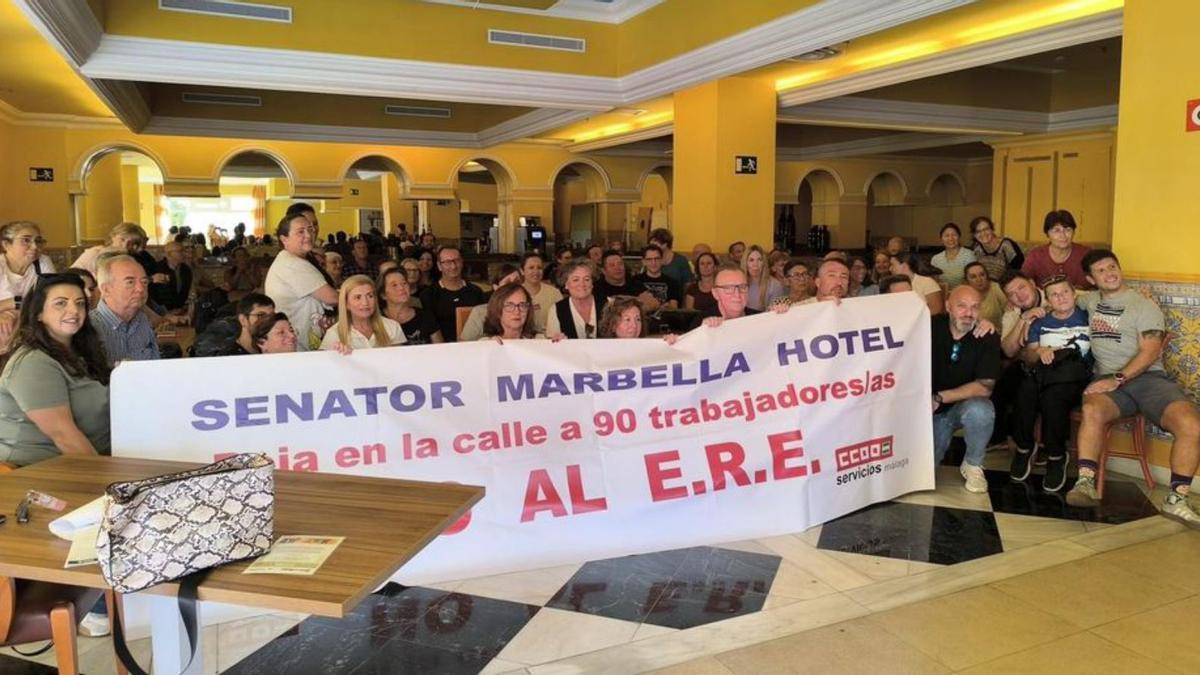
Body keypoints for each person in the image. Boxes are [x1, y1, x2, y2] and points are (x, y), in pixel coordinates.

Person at [1066, 250, 1200, 524]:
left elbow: (1150, 352)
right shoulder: (1089, 300)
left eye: (1112, 266)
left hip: (1148, 379)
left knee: (1192, 425)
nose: (1110, 273)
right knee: (1092, 410)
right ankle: (1085, 482)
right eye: (1101, 270)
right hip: (1108, 382)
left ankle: (1177, 498)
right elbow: (1059, 295)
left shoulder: (1143, 305)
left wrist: (1117, 378)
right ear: (1092, 279)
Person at [0, 273, 111, 467]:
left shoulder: (79, 352)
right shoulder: (33, 362)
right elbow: (64, 436)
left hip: (84, 461)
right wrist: (112, 479)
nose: (74, 310)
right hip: (36, 472)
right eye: (61, 303)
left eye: (80, 303)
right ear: (38, 313)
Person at [1009, 276, 1091, 491]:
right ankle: (1025, 447)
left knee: (1052, 397)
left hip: (1076, 379)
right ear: (1048, 300)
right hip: (1045, 375)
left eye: (1065, 292)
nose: (1060, 297)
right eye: (1054, 295)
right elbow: (1028, 358)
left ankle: (1056, 454)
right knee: (1025, 388)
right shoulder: (1041, 323)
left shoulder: (1087, 316)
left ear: (1074, 294)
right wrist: (1039, 351)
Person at [931, 286, 1002, 493]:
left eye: (974, 307)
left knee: (982, 409)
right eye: (961, 306)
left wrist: (939, 397)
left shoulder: (987, 335)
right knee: (924, 473)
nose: (968, 313)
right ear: (948, 307)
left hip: (958, 407)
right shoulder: (930, 326)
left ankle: (973, 464)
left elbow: (985, 387)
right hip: (928, 413)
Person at [265, 214, 339, 351]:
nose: (309, 235)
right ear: (284, 239)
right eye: (300, 232)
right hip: (297, 346)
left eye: (310, 229)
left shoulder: (297, 260)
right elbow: (332, 298)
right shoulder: (292, 263)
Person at [90, 254, 158, 366]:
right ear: (106, 289)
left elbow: (155, 368)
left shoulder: (142, 320)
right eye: (130, 282)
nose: (141, 289)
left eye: (144, 282)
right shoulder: (88, 327)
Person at [419, 245, 486, 342]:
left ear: (462, 262)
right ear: (439, 266)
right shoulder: (428, 295)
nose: (453, 266)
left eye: (456, 261)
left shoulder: (476, 292)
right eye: (447, 262)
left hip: (472, 346)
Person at [321, 275, 405, 352]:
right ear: (346, 303)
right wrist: (336, 355)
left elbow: (399, 362)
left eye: (370, 296)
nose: (365, 303)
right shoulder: (334, 333)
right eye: (358, 297)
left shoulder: (392, 327)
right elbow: (320, 365)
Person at [1022, 209, 1092, 289]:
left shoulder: (1086, 254)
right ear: (1047, 234)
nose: (1063, 235)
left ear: (1074, 232)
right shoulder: (1036, 256)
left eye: (1068, 230)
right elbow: (1022, 281)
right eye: (1056, 230)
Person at [192, 292, 274, 357]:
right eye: (260, 315)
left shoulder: (273, 348)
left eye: (272, 316)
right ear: (243, 320)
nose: (268, 321)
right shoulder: (228, 357)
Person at [378, 268, 442, 345]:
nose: (401, 288)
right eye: (394, 285)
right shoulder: (377, 320)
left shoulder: (425, 316)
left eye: (404, 283)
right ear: (383, 294)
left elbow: (440, 348)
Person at [546, 259, 606, 339]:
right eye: (575, 280)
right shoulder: (556, 310)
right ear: (566, 284)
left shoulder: (609, 304)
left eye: (587, 279)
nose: (582, 284)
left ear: (592, 283)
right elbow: (552, 343)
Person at [70, 222, 147, 276]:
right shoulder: (94, 253)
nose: (124, 245)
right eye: (122, 240)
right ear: (113, 236)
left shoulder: (137, 259)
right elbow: (71, 275)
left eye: (132, 243)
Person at [520, 251, 563, 334]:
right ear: (522, 271)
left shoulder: (554, 293)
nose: (536, 271)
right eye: (531, 267)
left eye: (539, 268)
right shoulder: (514, 294)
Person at [970, 216, 1023, 280]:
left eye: (986, 229)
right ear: (974, 235)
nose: (983, 233)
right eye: (978, 231)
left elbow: (1019, 270)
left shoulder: (1006, 244)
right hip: (983, 284)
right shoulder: (976, 248)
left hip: (1005, 283)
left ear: (992, 230)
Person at [634, 244, 683, 310]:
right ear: (643, 262)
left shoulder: (673, 283)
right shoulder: (635, 281)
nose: (653, 262)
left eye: (656, 258)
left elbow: (674, 308)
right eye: (649, 259)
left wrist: (668, 307)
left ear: (662, 260)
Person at [149, 240, 193, 312]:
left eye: (183, 251)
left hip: (180, 310)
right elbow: (157, 294)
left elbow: (185, 292)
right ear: (169, 254)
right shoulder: (157, 269)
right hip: (161, 311)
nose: (184, 254)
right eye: (180, 251)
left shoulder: (186, 270)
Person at [930, 223, 976, 289]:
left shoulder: (969, 255)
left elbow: (972, 280)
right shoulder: (936, 259)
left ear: (959, 237)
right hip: (942, 295)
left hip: (963, 294)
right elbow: (933, 282)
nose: (951, 238)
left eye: (954, 235)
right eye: (947, 236)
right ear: (941, 239)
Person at [741, 245, 785, 311]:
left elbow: (774, 315)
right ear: (745, 263)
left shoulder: (775, 285)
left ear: (764, 263)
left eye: (759, 260)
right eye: (751, 260)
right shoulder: (738, 283)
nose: (755, 264)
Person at [965, 262, 1007, 328]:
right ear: (967, 281)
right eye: (973, 277)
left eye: (982, 275)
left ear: (987, 276)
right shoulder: (964, 294)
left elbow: (1010, 311)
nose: (979, 279)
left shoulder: (996, 288)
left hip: (998, 334)